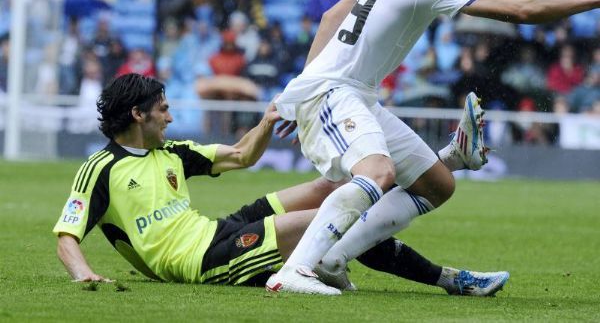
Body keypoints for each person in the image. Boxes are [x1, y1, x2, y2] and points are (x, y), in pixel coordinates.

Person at [266, 0, 600, 295]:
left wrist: (301, 86)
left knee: (437, 183)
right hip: (336, 93)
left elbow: (330, 18)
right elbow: (522, 11)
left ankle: (333, 258)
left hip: (351, 94)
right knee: (379, 173)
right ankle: (295, 270)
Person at [54, 73, 507, 295]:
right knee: (340, 217)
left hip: (217, 231)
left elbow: (243, 155)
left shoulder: (171, 153)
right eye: (163, 109)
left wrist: (270, 117)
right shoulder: (101, 168)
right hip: (201, 260)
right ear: (138, 115)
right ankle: (450, 279)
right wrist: (84, 273)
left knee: (328, 189)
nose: (171, 117)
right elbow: (67, 236)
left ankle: (446, 161)